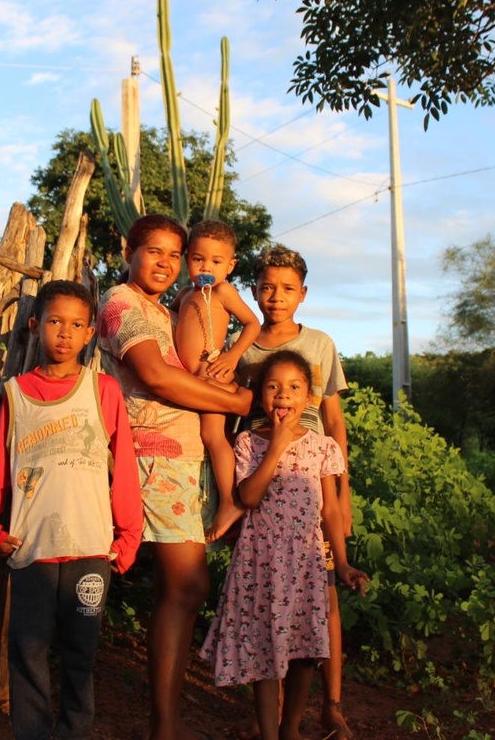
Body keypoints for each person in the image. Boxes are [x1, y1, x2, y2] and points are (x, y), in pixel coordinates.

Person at [96, 214, 253, 740]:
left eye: (172, 253)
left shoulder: (161, 310)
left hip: (183, 458)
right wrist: (237, 400)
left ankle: (166, 720)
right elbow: (158, 378)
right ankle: (164, 725)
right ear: (128, 252)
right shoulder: (120, 303)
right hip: (156, 457)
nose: (164, 262)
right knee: (187, 586)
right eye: (154, 251)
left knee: (178, 588)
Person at [0, 280, 143, 740]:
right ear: (35, 327)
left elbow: (123, 466)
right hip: (32, 549)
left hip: (91, 547)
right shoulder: (17, 394)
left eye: (75, 325)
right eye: (54, 322)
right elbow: (1, 469)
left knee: (80, 653)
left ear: (90, 334)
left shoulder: (103, 391)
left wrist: (128, 537)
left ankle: (74, 733)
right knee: (27, 650)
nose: (64, 333)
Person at [200, 350, 368, 740]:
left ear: (309, 397)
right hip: (261, 561)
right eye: (273, 387)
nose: (283, 396)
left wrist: (340, 563)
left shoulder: (321, 446)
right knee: (265, 653)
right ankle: (270, 733)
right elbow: (249, 497)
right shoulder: (247, 443)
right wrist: (275, 446)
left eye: (294, 388)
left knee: (306, 651)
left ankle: (291, 729)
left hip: (308, 561)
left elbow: (328, 512)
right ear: (261, 397)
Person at [233, 243, 356, 739]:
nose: (275, 297)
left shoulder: (321, 344)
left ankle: (327, 706)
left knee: (320, 604)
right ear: (254, 291)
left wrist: (343, 499)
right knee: (267, 616)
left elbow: (333, 423)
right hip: (263, 487)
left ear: (302, 294)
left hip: (313, 486)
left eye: (286, 289)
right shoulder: (245, 345)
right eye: (266, 287)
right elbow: (231, 413)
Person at [171, 219, 261, 542]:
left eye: (216, 261)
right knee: (202, 440)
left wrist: (232, 356)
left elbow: (252, 324)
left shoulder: (223, 291)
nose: (205, 266)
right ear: (187, 260)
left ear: (230, 265)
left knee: (213, 436)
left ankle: (229, 502)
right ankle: (210, 499)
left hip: (213, 375)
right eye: (198, 259)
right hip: (190, 380)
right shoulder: (183, 296)